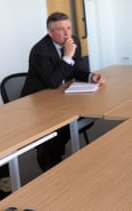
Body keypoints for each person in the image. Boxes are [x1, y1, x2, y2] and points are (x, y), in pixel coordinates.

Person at [21, 12, 105, 172]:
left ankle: (55, 154)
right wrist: (67, 56)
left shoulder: (74, 42)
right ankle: (49, 161)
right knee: (58, 127)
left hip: (59, 97)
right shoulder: (40, 50)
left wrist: (91, 76)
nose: (67, 33)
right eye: (61, 29)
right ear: (50, 33)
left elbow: (76, 70)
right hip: (37, 102)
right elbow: (52, 82)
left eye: (69, 27)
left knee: (78, 117)